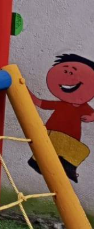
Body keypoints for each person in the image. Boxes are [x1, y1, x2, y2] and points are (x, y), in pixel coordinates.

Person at [29, 54, 94, 183]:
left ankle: (68, 167)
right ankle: (37, 161)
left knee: (82, 150)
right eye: (66, 69)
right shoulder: (61, 104)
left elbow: (92, 114)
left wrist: (90, 117)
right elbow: (40, 103)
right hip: (52, 133)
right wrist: (24, 90)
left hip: (70, 138)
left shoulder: (82, 107)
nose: (69, 73)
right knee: (51, 146)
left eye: (73, 71)